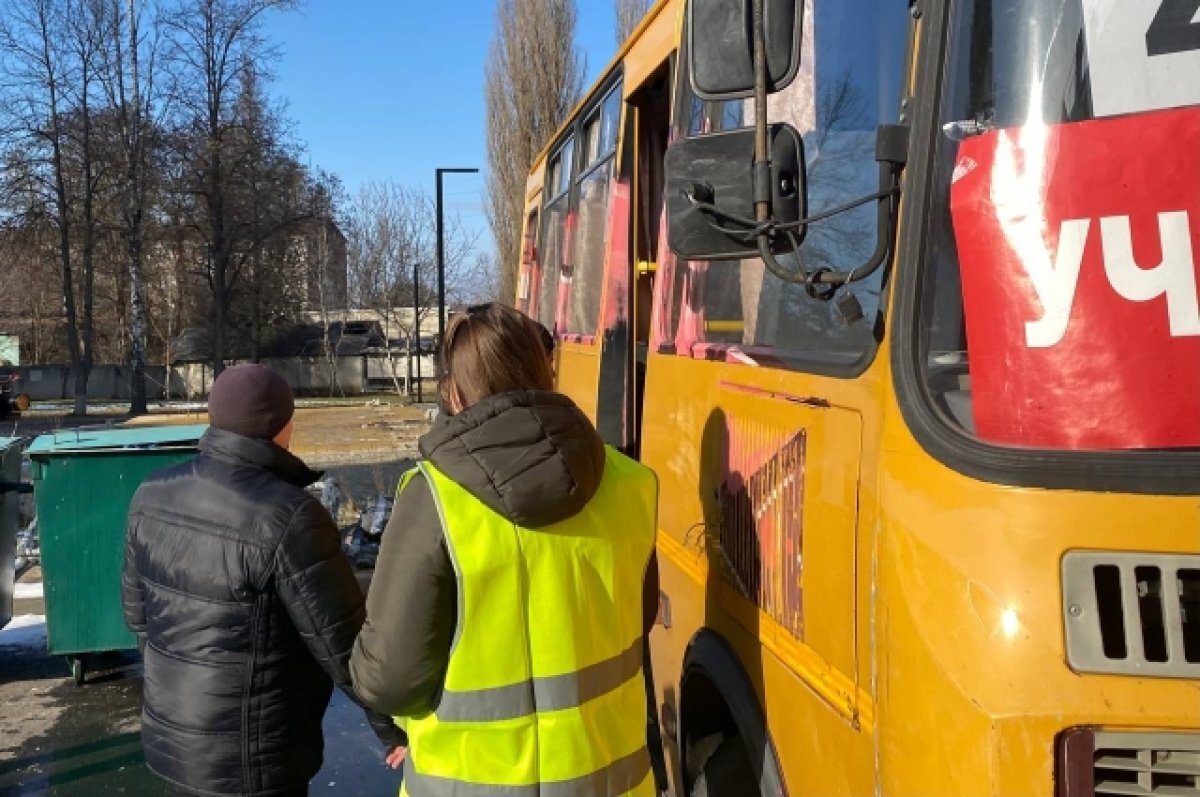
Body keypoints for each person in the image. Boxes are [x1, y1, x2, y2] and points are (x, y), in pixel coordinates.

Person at [351, 303, 660, 796]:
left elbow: (390, 679)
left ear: (454, 389)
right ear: (544, 369)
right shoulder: (633, 485)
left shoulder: (434, 500)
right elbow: (634, 622)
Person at [122, 364, 404, 797]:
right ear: (283, 426)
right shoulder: (289, 517)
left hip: (175, 744)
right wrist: (391, 727)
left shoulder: (151, 494)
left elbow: (139, 618)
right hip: (256, 758)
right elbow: (341, 643)